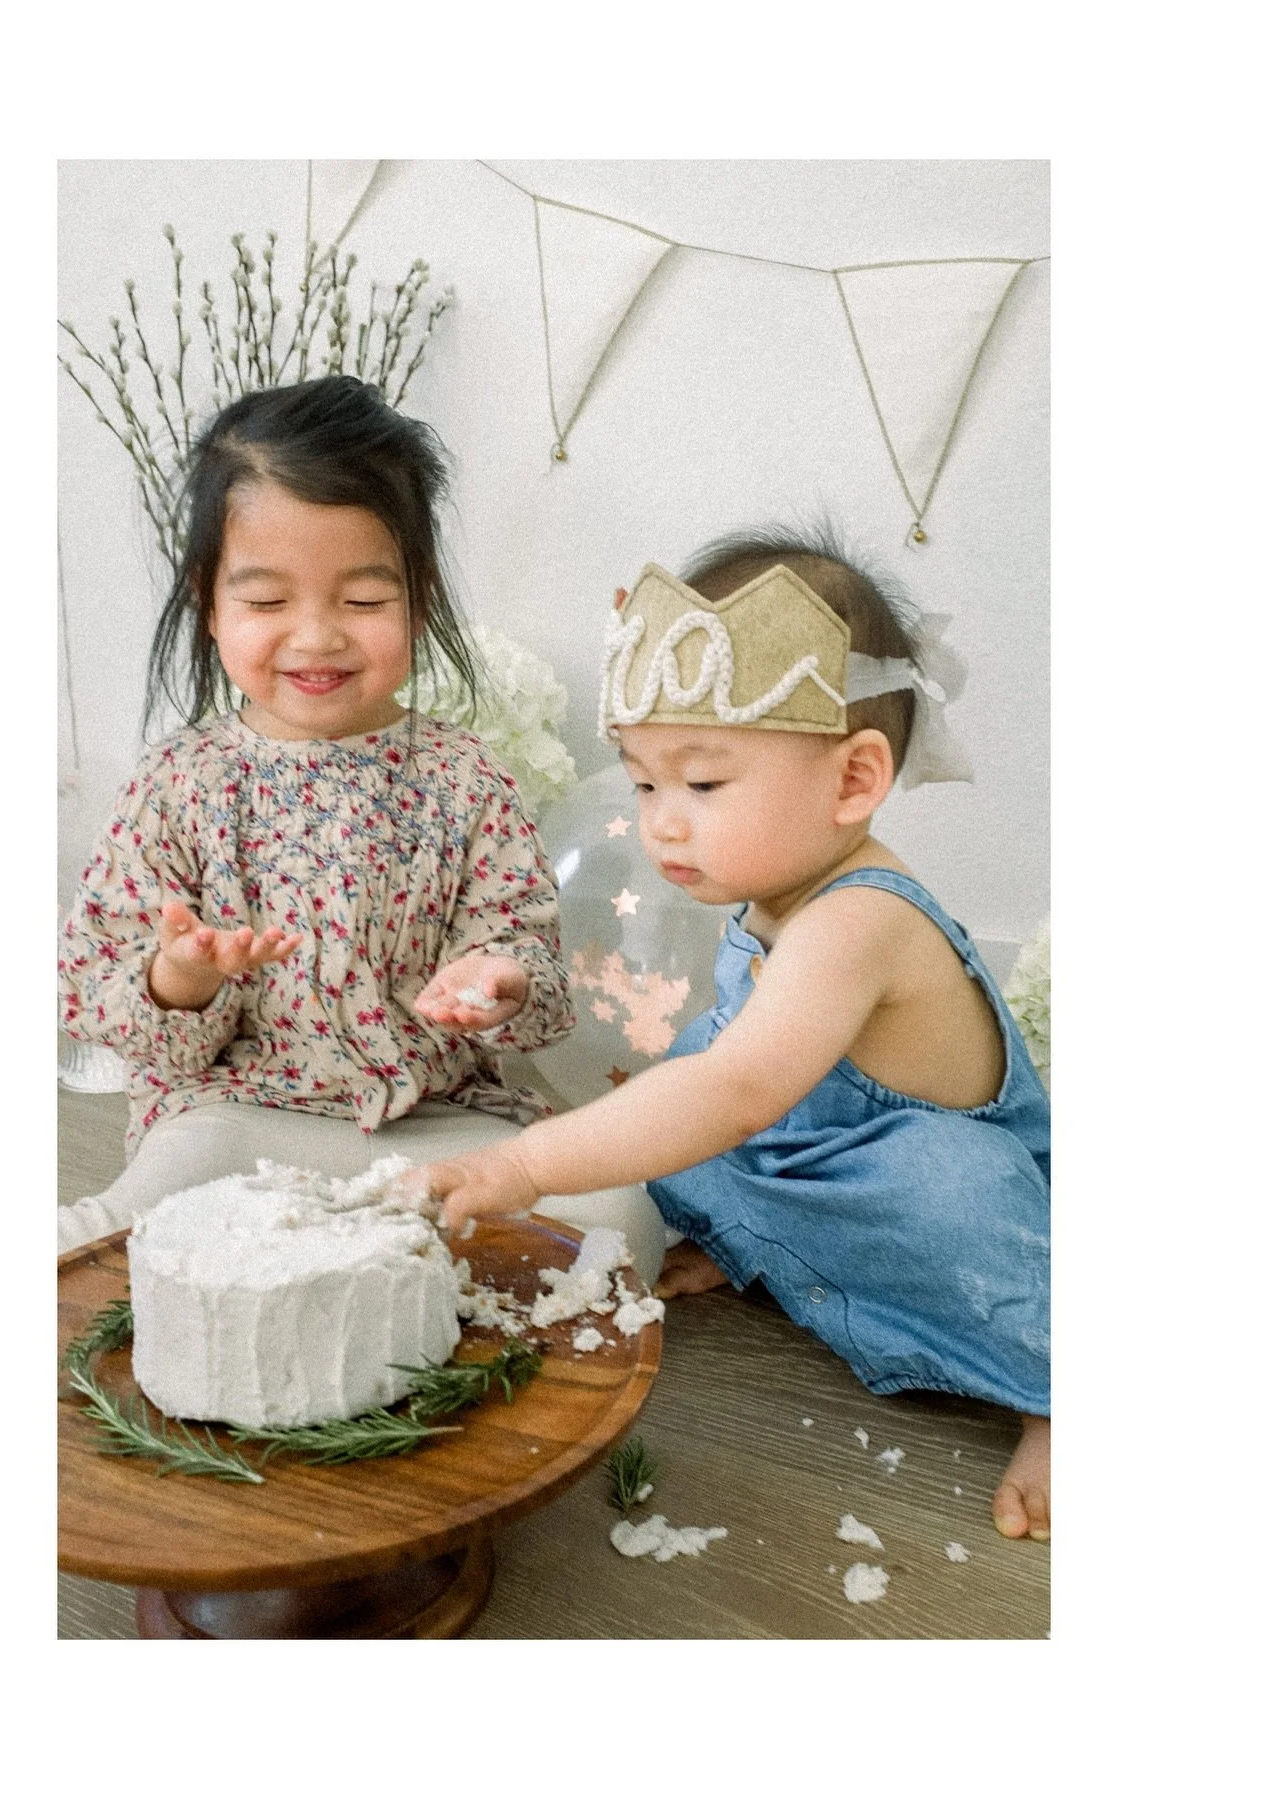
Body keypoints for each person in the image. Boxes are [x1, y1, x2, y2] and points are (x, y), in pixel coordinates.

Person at [417, 531, 1052, 1542]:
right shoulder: (776, 888)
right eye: (644, 783)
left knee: (936, 1192)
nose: (663, 823)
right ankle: (760, 1240)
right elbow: (733, 1078)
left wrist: (528, 1163)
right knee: (677, 1105)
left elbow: (738, 1091)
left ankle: (1056, 1391)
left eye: (703, 785)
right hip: (807, 1143)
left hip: (916, 1173)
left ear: (853, 781)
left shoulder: (858, 919)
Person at [57, 376, 665, 1281]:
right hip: (238, 1123)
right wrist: (180, 978)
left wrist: (501, 981)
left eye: (363, 600)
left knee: (624, 1219)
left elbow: (531, 968)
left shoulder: (464, 778)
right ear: (209, 603)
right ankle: (358, 1268)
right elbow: (100, 994)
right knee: (130, 1218)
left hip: (440, 1126)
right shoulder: (178, 784)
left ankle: (354, 1269)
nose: (316, 636)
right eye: (267, 602)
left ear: (419, 598)